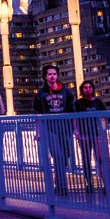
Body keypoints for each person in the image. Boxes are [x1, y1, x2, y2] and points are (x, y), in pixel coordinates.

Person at [31, 64, 76, 195]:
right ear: (45, 77)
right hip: (50, 129)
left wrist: (75, 129)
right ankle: (62, 186)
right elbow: (38, 113)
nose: (52, 76)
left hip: (66, 128)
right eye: (49, 74)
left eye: (54, 74)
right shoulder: (41, 94)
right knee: (58, 156)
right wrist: (38, 132)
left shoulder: (66, 91)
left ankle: (59, 182)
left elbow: (72, 111)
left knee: (66, 155)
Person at [72, 79, 107, 192]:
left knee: (101, 158)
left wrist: (103, 129)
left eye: (90, 87)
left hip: (97, 134)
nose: (88, 89)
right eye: (85, 87)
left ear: (93, 89)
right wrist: (76, 131)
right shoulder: (78, 103)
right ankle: (89, 183)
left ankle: (106, 184)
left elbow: (105, 116)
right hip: (84, 134)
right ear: (82, 90)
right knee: (86, 159)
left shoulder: (98, 102)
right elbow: (74, 118)